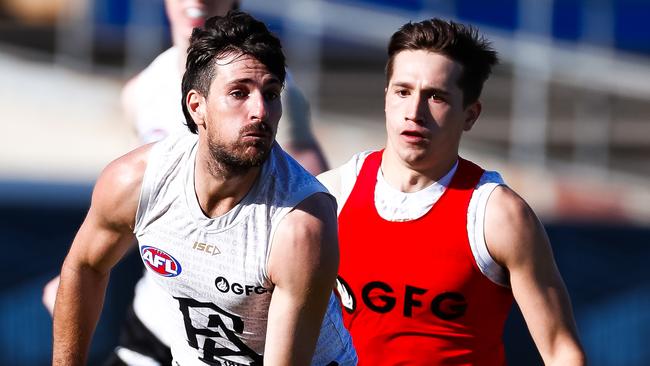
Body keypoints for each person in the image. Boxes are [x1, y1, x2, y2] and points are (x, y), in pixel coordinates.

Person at [52, 11, 356, 366]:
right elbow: (85, 267)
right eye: (239, 93)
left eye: (271, 94)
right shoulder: (136, 181)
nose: (260, 110)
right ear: (197, 107)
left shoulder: (300, 224)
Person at [318, 18, 586, 365]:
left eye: (436, 97)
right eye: (403, 91)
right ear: (386, 98)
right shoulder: (331, 194)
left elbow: (561, 351)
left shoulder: (498, 215)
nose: (414, 112)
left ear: (470, 115)